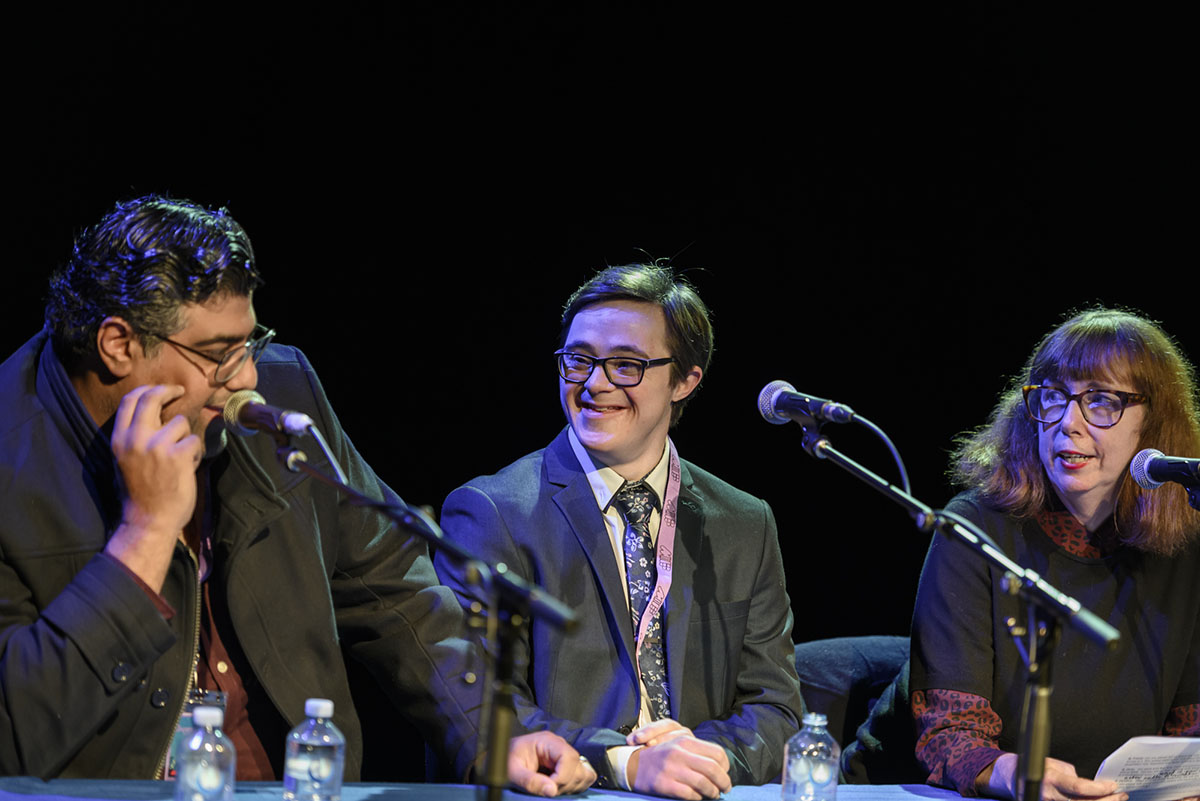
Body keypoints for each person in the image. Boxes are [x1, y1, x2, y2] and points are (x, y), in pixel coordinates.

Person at [0, 195, 594, 796]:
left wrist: (493, 737)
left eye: (250, 342)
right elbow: (17, 734)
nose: (247, 377)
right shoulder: (10, 453)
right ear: (118, 344)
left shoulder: (283, 395)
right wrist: (146, 534)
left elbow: (394, 588)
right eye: (218, 354)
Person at [433, 263, 805, 799]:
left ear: (685, 380)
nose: (595, 383)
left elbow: (777, 707)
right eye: (579, 360)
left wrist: (706, 758)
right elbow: (480, 700)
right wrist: (625, 763)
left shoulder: (745, 523)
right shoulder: (493, 512)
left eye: (626, 365)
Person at [910, 308, 1200, 800]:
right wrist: (1015, 774)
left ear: (1154, 422)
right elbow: (949, 736)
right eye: (1053, 397)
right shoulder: (973, 529)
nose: (1069, 423)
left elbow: (1189, 730)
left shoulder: (1185, 545)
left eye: (1102, 402)